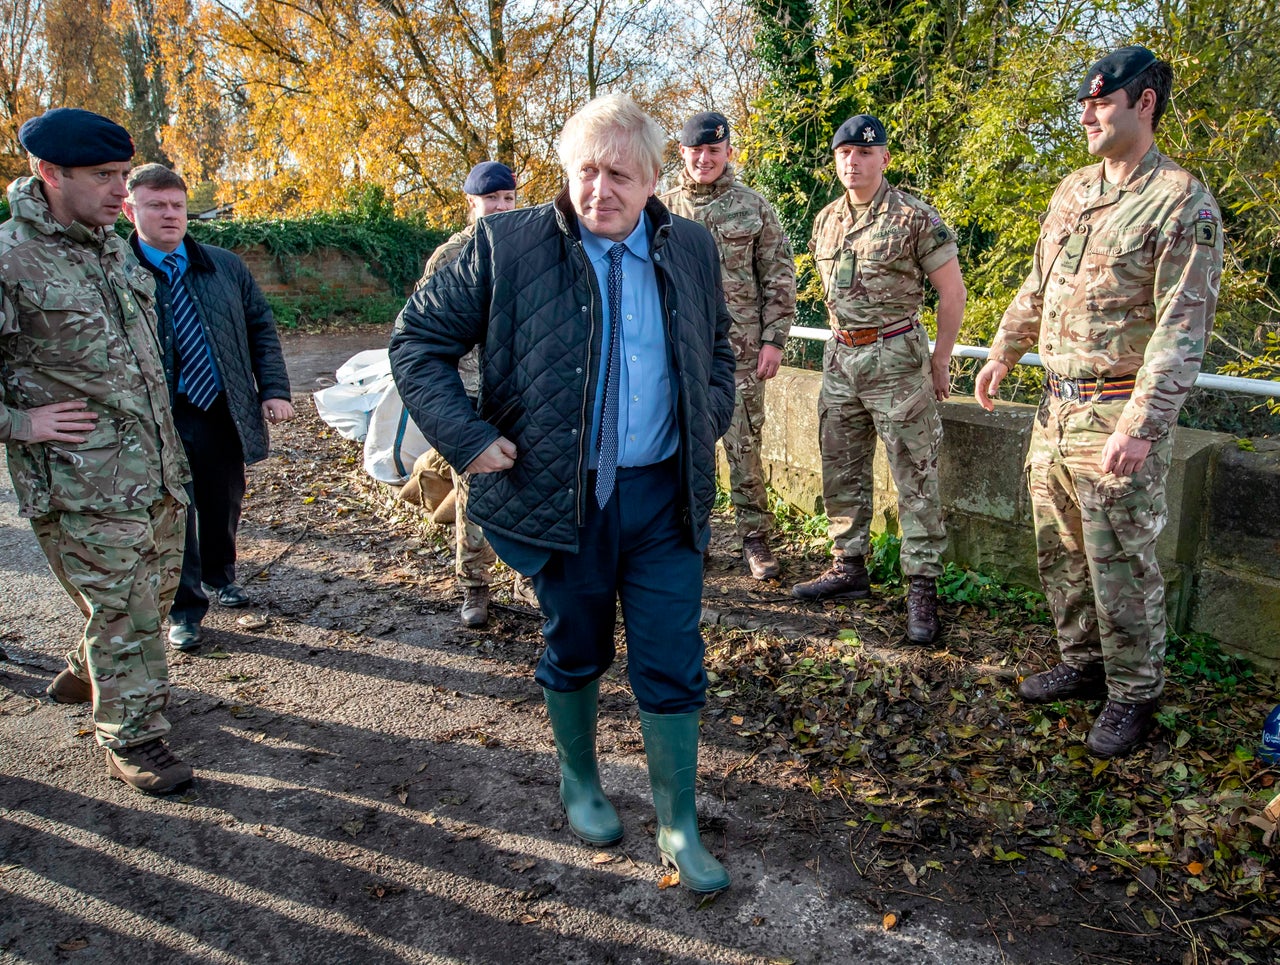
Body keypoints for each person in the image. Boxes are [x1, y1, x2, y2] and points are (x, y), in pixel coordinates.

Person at [389, 93, 736, 892]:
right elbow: (417, 343)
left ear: (653, 181)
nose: (599, 190)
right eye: (585, 171)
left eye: (619, 174)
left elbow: (718, 346)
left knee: (673, 657)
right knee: (575, 645)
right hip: (559, 497)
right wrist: (469, 440)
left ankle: (677, 822)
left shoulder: (691, 246)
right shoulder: (506, 245)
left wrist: (707, 415)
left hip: (662, 497)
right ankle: (580, 782)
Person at [975, 47, 1222, 758]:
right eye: (1084, 102)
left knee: (1120, 562)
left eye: (1101, 101)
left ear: (1143, 104)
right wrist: (1003, 351)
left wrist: (1143, 425)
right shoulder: (1073, 190)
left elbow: (1182, 328)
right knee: (1061, 556)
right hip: (1056, 409)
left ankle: (1135, 693)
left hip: (1116, 411)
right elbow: (1038, 283)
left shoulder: (1180, 201)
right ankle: (1083, 664)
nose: (1087, 114)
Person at [0, 108, 192, 793]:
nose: (122, 189)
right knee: (126, 610)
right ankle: (135, 736)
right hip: (81, 484)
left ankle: (93, 669)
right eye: (104, 176)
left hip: (159, 472)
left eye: (122, 174)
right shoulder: (9, 257)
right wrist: (23, 424)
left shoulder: (110, 245)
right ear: (50, 173)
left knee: (155, 596)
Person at [791, 114, 967, 646]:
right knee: (839, 466)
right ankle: (848, 565)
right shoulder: (825, 220)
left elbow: (952, 294)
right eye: (845, 153)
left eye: (865, 153)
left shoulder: (915, 217)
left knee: (915, 474)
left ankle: (921, 587)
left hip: (898, 359)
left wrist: (940, 361)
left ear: (884, 159)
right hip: (842, 357)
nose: (854, 161)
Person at [123, 163, 294, 651]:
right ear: (131, 208)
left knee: (222, 501)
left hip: (221, 407)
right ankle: (184, 608)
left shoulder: (224, 265)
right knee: (176, 510)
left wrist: (274, 389)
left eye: (177, 205)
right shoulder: (117, 268)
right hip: (158, 415)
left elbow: (260, 326)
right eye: (156, 205)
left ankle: (222, 576)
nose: (170, 214)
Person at [659, 112, 796, 580]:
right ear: (683, 154)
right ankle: (687, 539)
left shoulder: (753, 206)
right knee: (680, 450)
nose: (704, 159)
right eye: (696, 151)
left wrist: (774, 339)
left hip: (740, 354)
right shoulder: (660, 208)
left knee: (744, 449)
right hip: (676, 354)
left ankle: (754, 538)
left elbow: (778, 275)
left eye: (713, 151)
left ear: (727, 153)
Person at [414, 161, 534, 627]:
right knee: (474, 490)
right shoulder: (451, 257)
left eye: (508, 199)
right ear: (472, 205)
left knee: (527, 485)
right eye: (491, 200)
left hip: (521, 390)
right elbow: (425, 332)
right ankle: (474, 585)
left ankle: (526, 572)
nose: (501, 207)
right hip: (471, 392)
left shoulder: (529, 250)